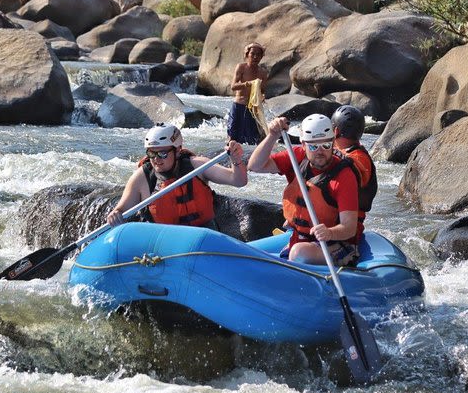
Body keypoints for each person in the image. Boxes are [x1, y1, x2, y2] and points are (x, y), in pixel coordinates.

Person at [248, 114, 360, 266]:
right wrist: (272, 136)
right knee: (248, 252)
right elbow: (255, 166)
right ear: (303, 145)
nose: (320, 151)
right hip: (301, 237)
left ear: (333, 142)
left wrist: (329, 232)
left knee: (298, 253)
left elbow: (349, 228)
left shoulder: (344, 175)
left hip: (336, 243)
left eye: (326, 145)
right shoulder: (297, 158)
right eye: (313, 146)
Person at [106, 124, 247, 230]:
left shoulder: (197, 166)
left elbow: (238, 180)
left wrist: (236, 160)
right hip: (164, 243)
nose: (156, 159)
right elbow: (120, 210)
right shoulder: (142, 178)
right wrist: (115, 214)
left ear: (178, 150)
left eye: (162, 153)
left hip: (204, 236)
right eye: (151, 154)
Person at [331, 105, 378, 241]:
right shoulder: (333, 150)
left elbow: (353, 168)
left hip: (345, 230)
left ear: (335, 131)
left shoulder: (359, 157)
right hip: (326, 223)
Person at [228, 42, 268, 144]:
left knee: (253, 139)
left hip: (253, 110)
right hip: (239, 106)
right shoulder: (241, 67)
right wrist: (247, 84)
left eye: (258, 55)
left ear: (261, 57)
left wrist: (263, 97)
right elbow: (233, 86)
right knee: (232, 136)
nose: (255, 57)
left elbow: (263, 91)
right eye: (252, 54)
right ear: (247, 55)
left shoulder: (262, 73)